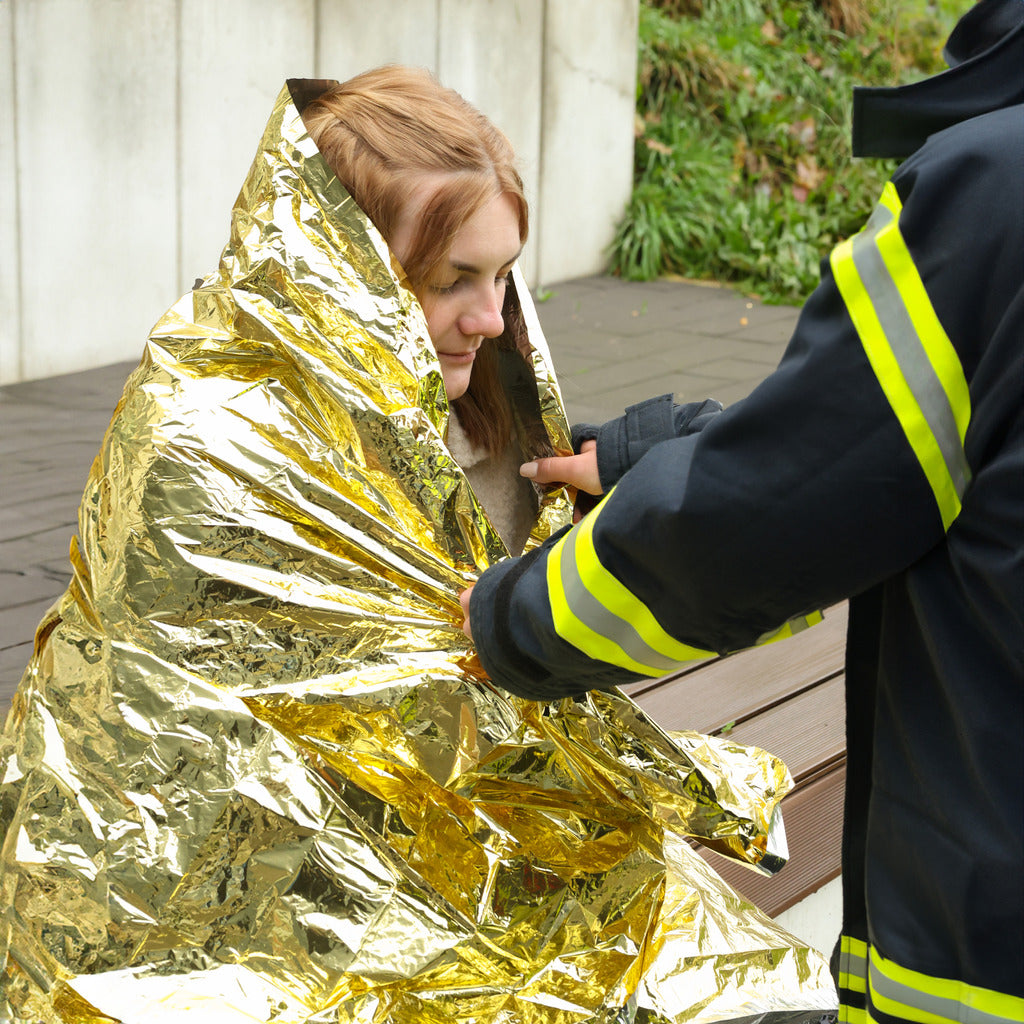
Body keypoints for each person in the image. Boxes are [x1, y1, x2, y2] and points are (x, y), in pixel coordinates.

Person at [0, 67, 837, 1021]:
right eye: (453, 282)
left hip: (461, 829)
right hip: (219, 882)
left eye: (502, 277)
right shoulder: (210, 432)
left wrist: (653, 459)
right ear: (346, 276)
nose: (490, 319)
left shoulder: (484, 408)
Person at [462, 2, 1024, 1021]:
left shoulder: (999, 193)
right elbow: (898, 450)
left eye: (495, 279)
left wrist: (508, 621)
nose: (488, 316)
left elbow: (784, 517)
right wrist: (651, 451)